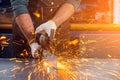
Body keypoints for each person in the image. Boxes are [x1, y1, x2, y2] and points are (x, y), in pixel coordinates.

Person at [10, 0, 80, 58]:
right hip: (27, 36)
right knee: (25, 73)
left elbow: (72, 1)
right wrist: (32, 40)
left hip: (60, 36)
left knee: (63, 71)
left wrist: (53, 23)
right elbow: (19, 6)